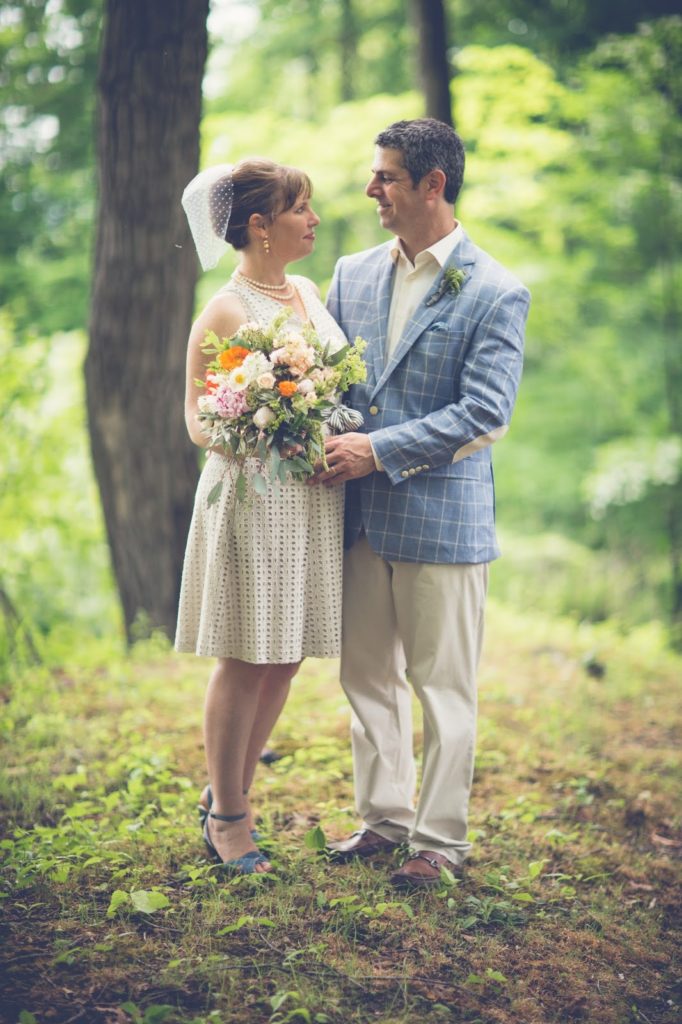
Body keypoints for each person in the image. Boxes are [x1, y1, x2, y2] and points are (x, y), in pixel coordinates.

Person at [316, 118, 530, 888]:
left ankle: (438, 841)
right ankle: (383, 820)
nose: (371, 188)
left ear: (432, 185)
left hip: (444, 519)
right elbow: (338, 388)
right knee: (365, 675)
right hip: (361, 516)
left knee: (442, 686)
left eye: (387, 177)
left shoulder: (497, 290)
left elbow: (486, 414)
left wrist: (377, 449)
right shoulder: (352, 272)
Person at [175, 159, 347, 874]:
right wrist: (267, 429)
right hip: (254, 497)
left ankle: (227, 793)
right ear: (259, 225)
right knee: (246, 656)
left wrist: (321, 428)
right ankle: (230, 818)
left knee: (286, 655)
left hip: (310, 501)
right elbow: (195, 419)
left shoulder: (307, 289)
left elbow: (335, 377)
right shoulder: (224, 310)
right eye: (300, 207)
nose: (312, 218)